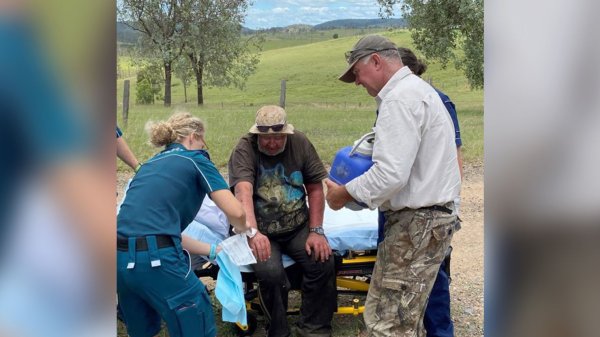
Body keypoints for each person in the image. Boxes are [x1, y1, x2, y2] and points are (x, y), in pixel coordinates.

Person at [325, 35, 461, 336]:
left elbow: (390, 174)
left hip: (416, 224)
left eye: (356, 74)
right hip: (428, 221)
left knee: (390, 322)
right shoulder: (418, 92)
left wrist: (342, 194)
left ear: (376, 60)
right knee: (405, 316)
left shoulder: (400, 98)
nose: (357, 83)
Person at [117, 112, 247, 337]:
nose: (204, 146)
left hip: (120, 260)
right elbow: (236, 212)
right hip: (157, 261)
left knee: (142, 331)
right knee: (196, 319)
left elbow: (160, 234)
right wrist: (244, 231)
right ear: (193, 137)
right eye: (203, 141)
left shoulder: (148, 166)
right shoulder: (195, 159)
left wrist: (213, 250)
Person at [228, 105, 336, 337]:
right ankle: (278, 331)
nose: (271, 143)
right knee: (271, 274)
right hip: (260, 227)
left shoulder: (300, 142)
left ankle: (313, 329)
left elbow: (316, 189)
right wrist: (252, 233)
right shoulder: (244, 148)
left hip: (296, 224)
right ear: (256, 134)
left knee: (323, 261)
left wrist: (316, 231)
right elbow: (243, 192)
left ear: (286, 133)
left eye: (277, 137)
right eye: (265, 138)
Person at [396, 47, 464, 337]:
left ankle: (439, 332)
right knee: (398, 277)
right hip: (401, 203)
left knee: (433, 274)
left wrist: (452, 204)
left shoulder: (436, 101)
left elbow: (454, 155)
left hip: (430, 206)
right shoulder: (393, 100)